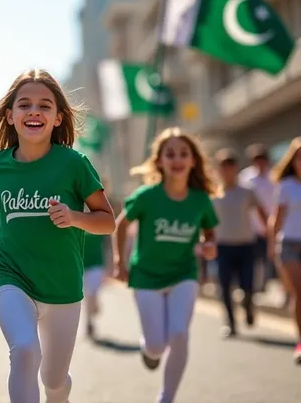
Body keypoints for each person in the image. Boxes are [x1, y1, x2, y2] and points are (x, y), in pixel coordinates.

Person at [0, 69, 115, 403]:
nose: (34, 111)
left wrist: (74, 217)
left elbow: (107, 221)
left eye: (44, 106)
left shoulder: (74, 164)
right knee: (25, 350)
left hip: (63, 286)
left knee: (54, 382)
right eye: (24, 104)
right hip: (11, 276)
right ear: (10, 116)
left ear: (58, 118)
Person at [112, 128, 219, 403]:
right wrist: (119, 262)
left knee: (180, 334)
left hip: (184, 274)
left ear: (193, 161)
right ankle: (150, 351)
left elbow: (210, 232)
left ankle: (166, 397)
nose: (177, 159)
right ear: (159, 161)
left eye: (184, 154)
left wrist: (209, 247)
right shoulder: (147, 196)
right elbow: (122, 223)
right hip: (146, 277)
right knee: (157, 345)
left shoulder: (200, 199)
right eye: (170, 154)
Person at [212, 149, 267, 338]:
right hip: (222, 246)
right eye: (223, 166)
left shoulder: (247, 191)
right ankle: (231, 324)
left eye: (230, 165)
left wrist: (267, 230)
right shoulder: (213, 193)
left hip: (245, 245)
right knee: (225, 287)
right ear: (218, 169)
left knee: (248, 286)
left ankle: (248, 306)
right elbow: (205, 220)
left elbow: (261, 211)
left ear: (235, 167)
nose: (226, 170)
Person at [267, 137, 301, 364]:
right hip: (288, 244)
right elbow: (276, 219)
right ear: (294, 161)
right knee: (300, 293)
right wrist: (272, 245)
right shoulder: (286, 186)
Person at [239, 144, 276, 293]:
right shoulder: (246, 178)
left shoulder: (274, 177)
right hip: (251, 227)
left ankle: (265, 284)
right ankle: (255, 286)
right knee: (255, 258)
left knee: (270, 257)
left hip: (271, 224)